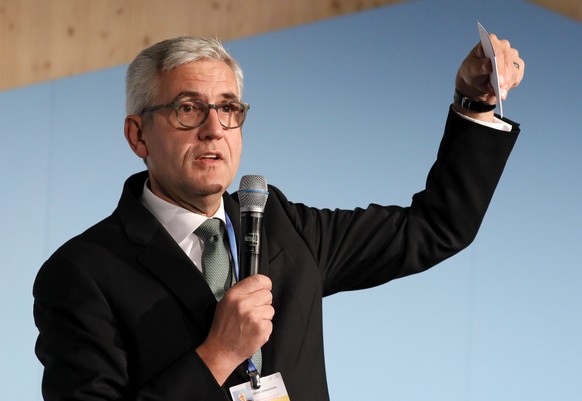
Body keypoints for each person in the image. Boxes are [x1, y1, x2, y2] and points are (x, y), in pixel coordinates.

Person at [33, 33, 524, 401]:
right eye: (187, 109)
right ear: (138, 135)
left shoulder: (281, 225)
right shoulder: (83, 272)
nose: (213, 130)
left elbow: (434, 228)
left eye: (228, 109)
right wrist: (218, 355)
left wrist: (474, 105)